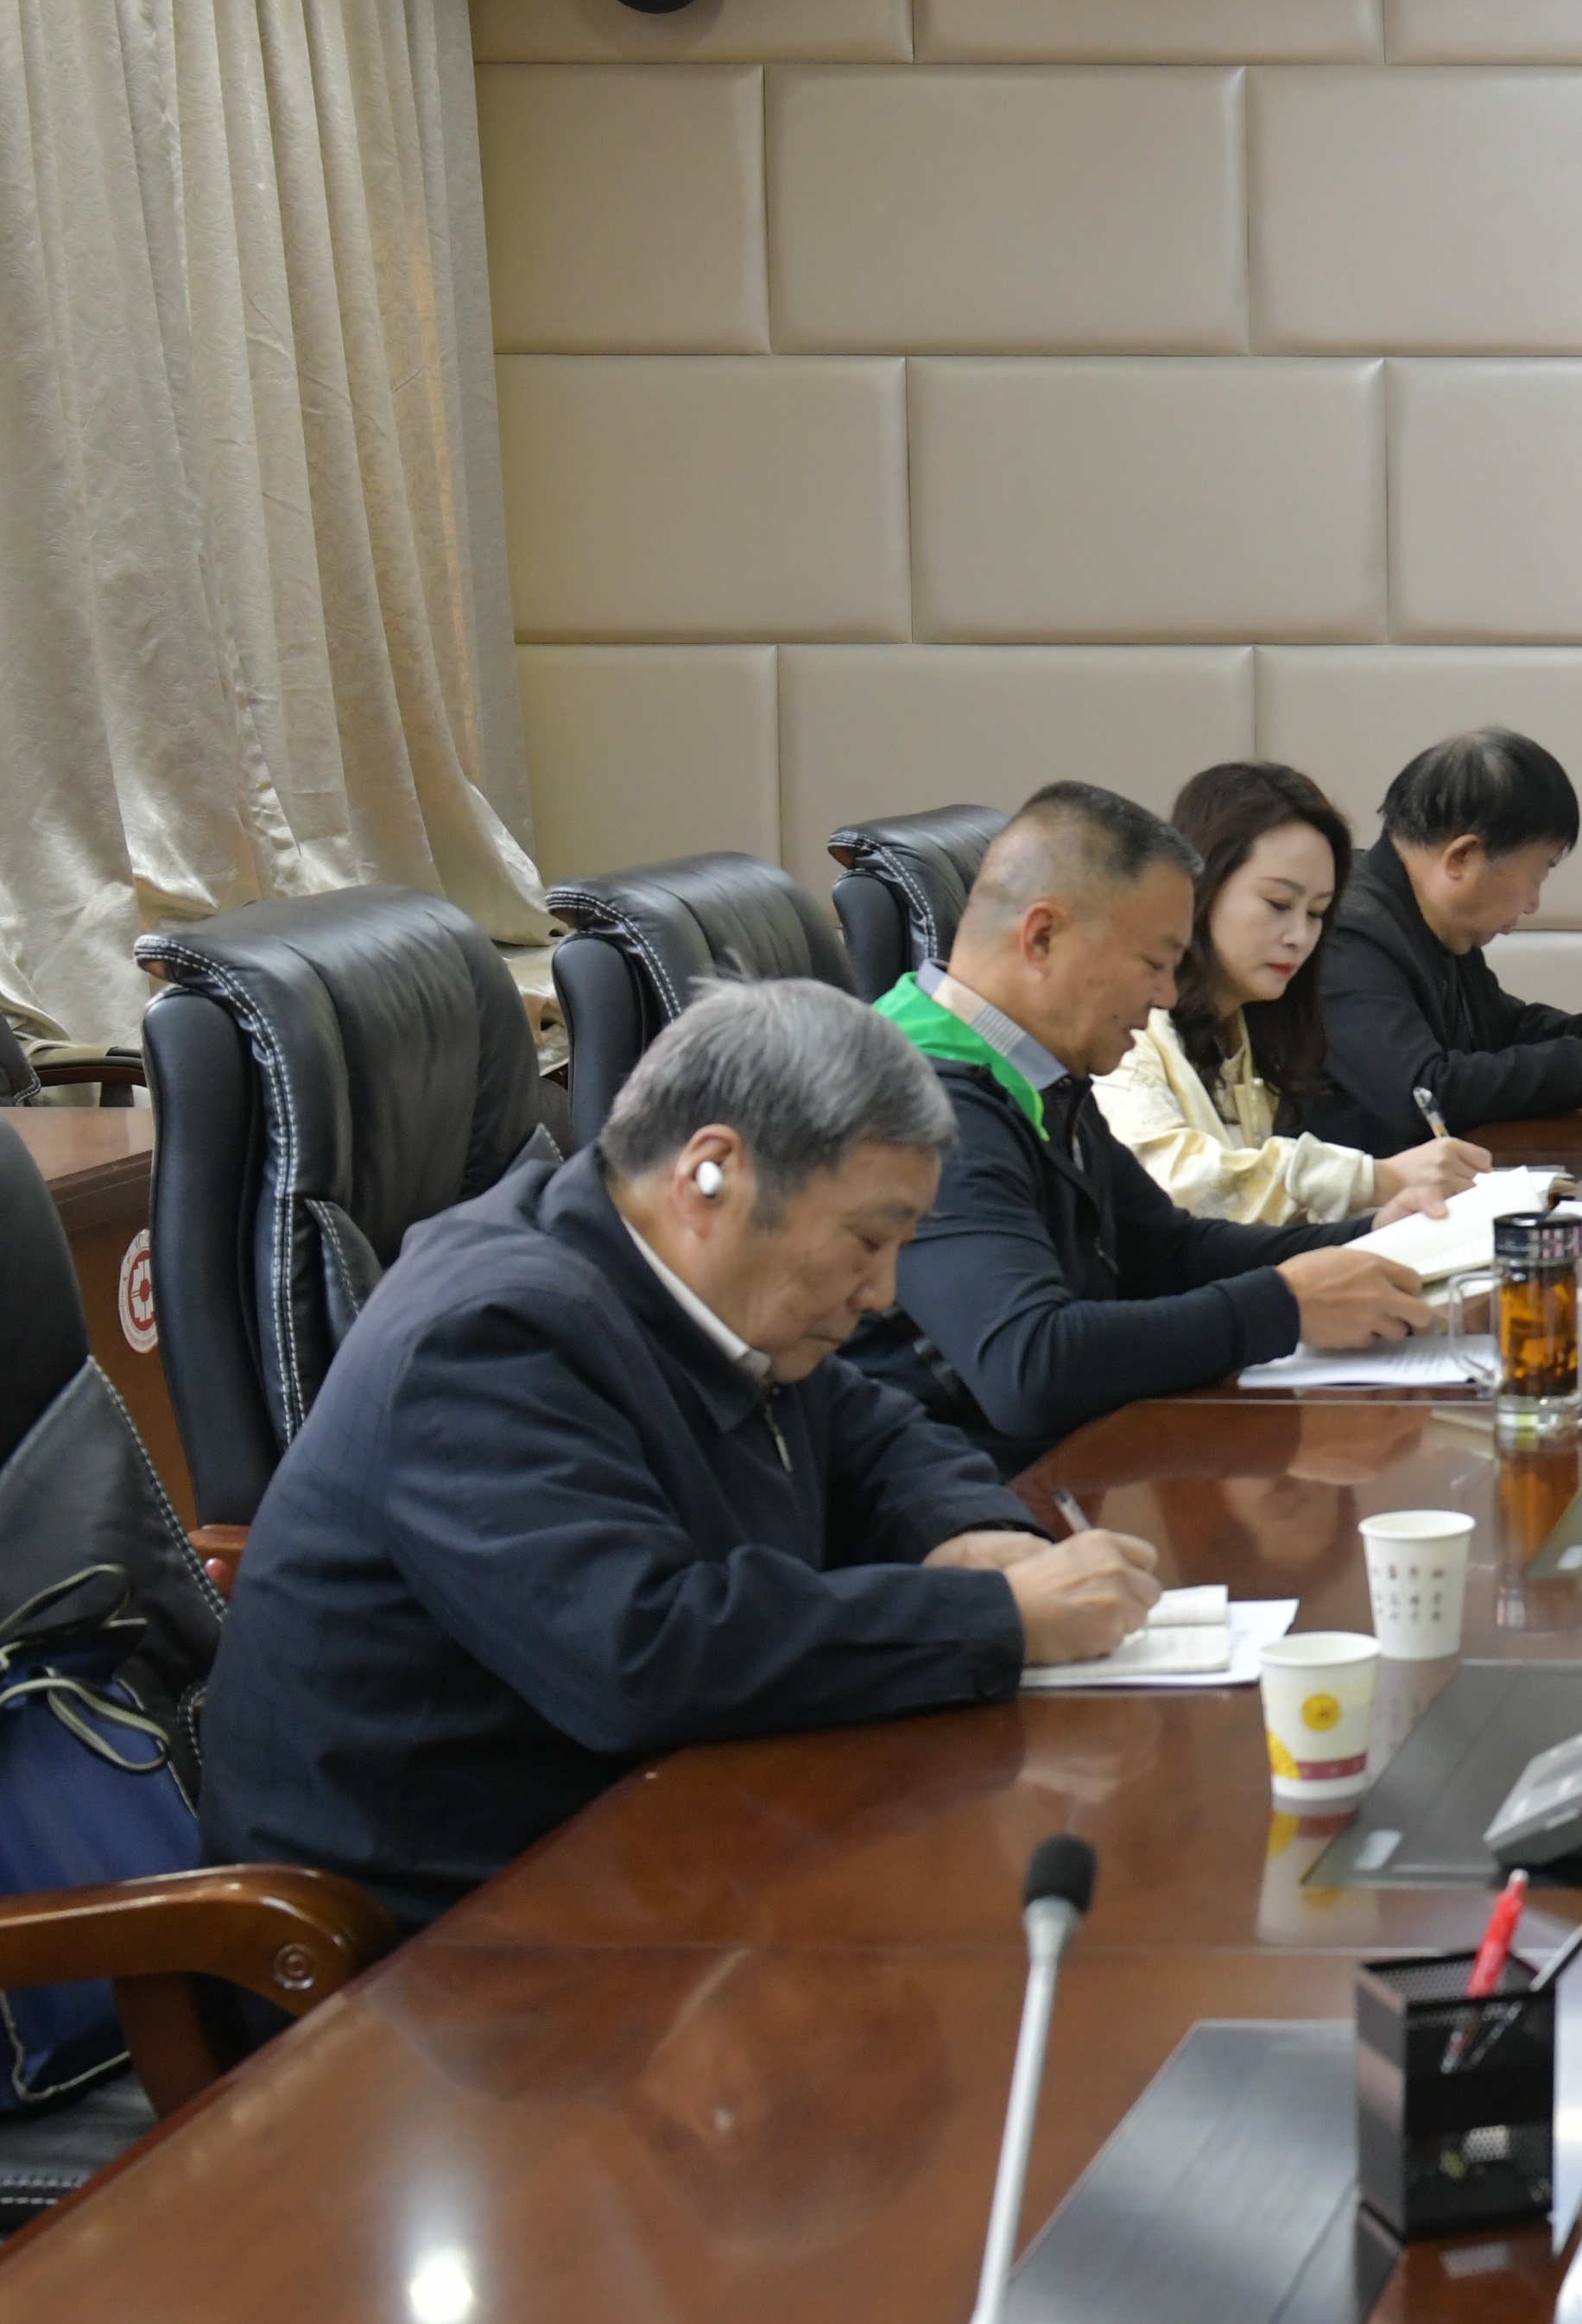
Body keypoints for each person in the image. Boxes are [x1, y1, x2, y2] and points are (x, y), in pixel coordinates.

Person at [197, 981, 1171, 1924]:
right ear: (712, 1174)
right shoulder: (488, 1338)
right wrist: (994, 1619)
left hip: (645, 1846)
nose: (881, 1293)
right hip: (440, 1941)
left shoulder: (692, 1282)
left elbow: (873, 1431)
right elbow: (640, 1653)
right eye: (868, 1241)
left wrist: (967, 1533)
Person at [849, 781, 1438, 1472]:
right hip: (965, 1499)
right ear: (1042, 937)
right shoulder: (920, 1096)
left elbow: (1164, 1249)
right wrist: (1284, 1307)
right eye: (1154, 964)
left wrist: (1370, 1236)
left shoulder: (1033, 1067)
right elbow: (1028, 1367)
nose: (1165, 995)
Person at [1100, 760, 1497, 1224]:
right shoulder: (1127, 1023)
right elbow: (1168, 1183)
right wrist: (1374, 1179)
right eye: (1279, 904)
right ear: (1202, 885)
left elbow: (1254, 1224)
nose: (1299, 937)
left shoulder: (1247, 1029)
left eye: (1316, 913)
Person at [1304, 729, 1582, 1152]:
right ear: (1462, 857)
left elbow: (1505, 1031)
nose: (1533, 905)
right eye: (1537, 875)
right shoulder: (1347, 934)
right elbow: (1425, 1094)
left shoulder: (1432, 918)